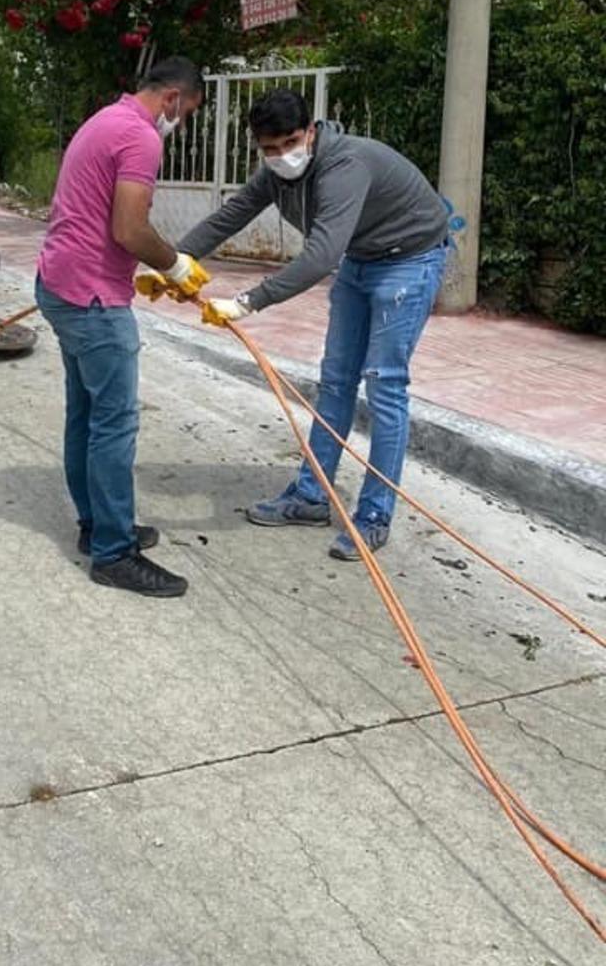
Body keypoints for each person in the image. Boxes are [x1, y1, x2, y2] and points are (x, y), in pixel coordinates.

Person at [179, 88, 449, 561]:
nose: (282, 156)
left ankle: (374, 515)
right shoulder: (276, 176)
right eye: (269, 149)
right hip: (363, 257)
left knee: (384, 386)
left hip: (410, 259)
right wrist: (174, 261)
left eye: (289, 143)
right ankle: (309, 497)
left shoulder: (344, 166)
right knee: (336, 381)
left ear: (310, 131)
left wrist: (247, 302)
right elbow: (232, 214)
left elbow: (321, 255)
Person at [35, 57, 210, 598]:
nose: (180, 123)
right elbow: (130, 228)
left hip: (59, 282)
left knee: (85, 413)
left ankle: (97, 525)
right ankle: (114, 552)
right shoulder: (140, 136)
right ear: (175, 99)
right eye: (188, 113)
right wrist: (176, 265)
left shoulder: (104, 119)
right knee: (114, 424)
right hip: (91, 298)